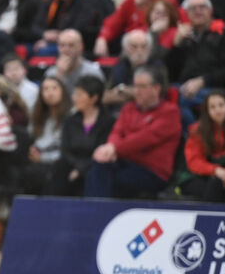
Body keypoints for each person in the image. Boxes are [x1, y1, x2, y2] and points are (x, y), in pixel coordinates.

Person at [84, 66, 182, 199]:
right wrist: (110, 148)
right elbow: (116, 132)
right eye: (135, 86)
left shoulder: (170, 112)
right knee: (98, 166)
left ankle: (97, 213)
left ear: (156, 88)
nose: (137, 91)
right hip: (125, 161)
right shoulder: (128, 108)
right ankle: (95, 211)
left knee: (106, 177)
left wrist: (114, 148)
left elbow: (145, 138)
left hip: (152, 171)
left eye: (142, 87)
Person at [166, 0, 225, 129]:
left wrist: (202, 81)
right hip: (182, 86)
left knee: (178, 100)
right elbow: (170, 72)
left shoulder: (224, 35)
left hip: (214, 88)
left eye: (202, 7)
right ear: (187, 13)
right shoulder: (185, 36)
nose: (198, 11)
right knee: (159, 96)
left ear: (210, 11)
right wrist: (176, 44)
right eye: (193, 8)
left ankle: (196, 136)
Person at [44, 76, 114, 197]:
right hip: (72, 163)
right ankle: (52, 208)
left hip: (94, 164)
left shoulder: (108, 122)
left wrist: (80, 170)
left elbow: (101, 151)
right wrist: (76, 167)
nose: (74, 98)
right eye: (75, 94)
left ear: (94, 98)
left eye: (80, 95)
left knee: (97, 171)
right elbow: (65, 150)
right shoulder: (70, 120)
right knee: (59, 167)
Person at [179, 90, 225, 203]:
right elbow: (194, 162)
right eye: (212, 107)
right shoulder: (197, 131)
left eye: (221, 105)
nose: (217, 110)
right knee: (215, 184)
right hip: (194, 177)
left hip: (223, 176)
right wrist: (216, 170)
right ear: (207, 111)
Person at [23, 76, 71, 194]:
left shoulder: (71, 117)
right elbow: (30, 138)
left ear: (63, 91)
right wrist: (32, 150)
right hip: (37, 159)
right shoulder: (37, 115)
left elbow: (68, 149)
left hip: (59, 162)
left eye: (54, 88)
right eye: (46, 89)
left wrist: (43, 158)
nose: (50, 93)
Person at [102, 29, 162, 110]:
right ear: (125, 48)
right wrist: (133, 94)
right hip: (119, 113)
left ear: (150, 48)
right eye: (134, 46)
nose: (139, 51)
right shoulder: (120, 65)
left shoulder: (157, 67)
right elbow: (105, 97)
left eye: (144, 46)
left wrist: (122, 90)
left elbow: (157, 95)